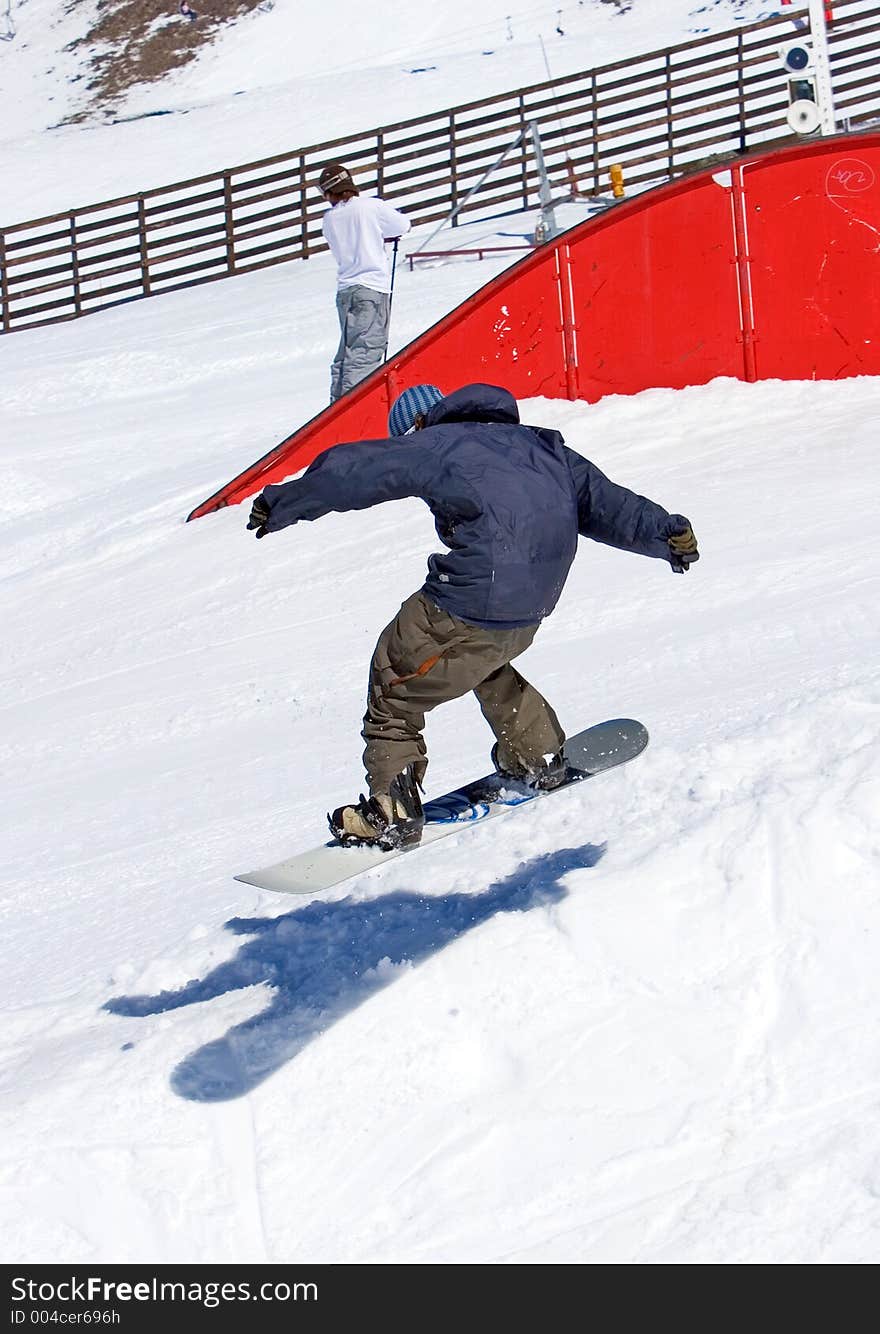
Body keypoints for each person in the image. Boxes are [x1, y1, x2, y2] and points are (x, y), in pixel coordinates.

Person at [246, 382, 699, 849]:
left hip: (476, 592)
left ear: (419, 423)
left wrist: (285, 502)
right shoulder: (541, 445)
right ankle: (537, 753)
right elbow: (609, 504)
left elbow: (358, 471)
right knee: (477, 660)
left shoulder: (437, 442)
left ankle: (391, 809)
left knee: (394, 681)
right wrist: (665, 535)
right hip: (534, 603)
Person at [317, 162, 411, 403]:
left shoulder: (329, 219)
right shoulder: (371, 206)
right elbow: (402, 225)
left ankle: (335, 406)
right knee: (365, 353)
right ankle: (353, 409)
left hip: (345, 291)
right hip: (371, 288)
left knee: (346, 354)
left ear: (329, 193)